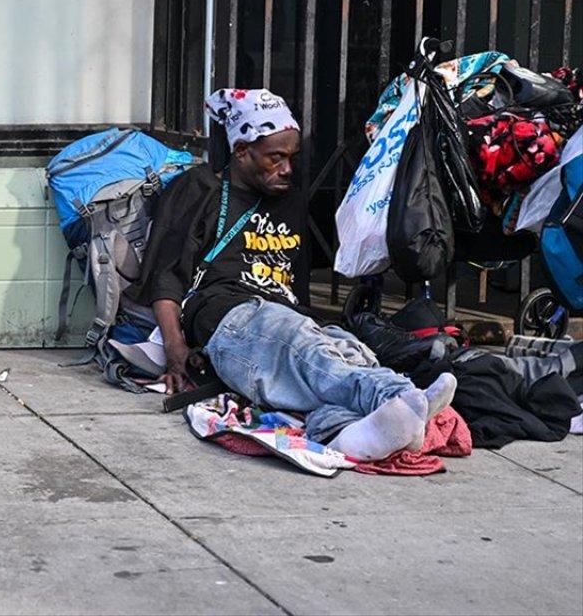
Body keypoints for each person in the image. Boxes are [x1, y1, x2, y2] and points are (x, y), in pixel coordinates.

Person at [137, 89, 456, 461]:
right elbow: (166, 279)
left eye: (292, 157)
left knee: (346, 351)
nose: (287, 168)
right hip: (227, 313)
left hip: (286, 316)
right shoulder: (200, 189)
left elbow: (295, 288)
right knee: (297, 343)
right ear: (241, 151)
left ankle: (345, 433)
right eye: (276, 158)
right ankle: (394, 395)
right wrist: (175, 349)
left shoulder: (290, 201)